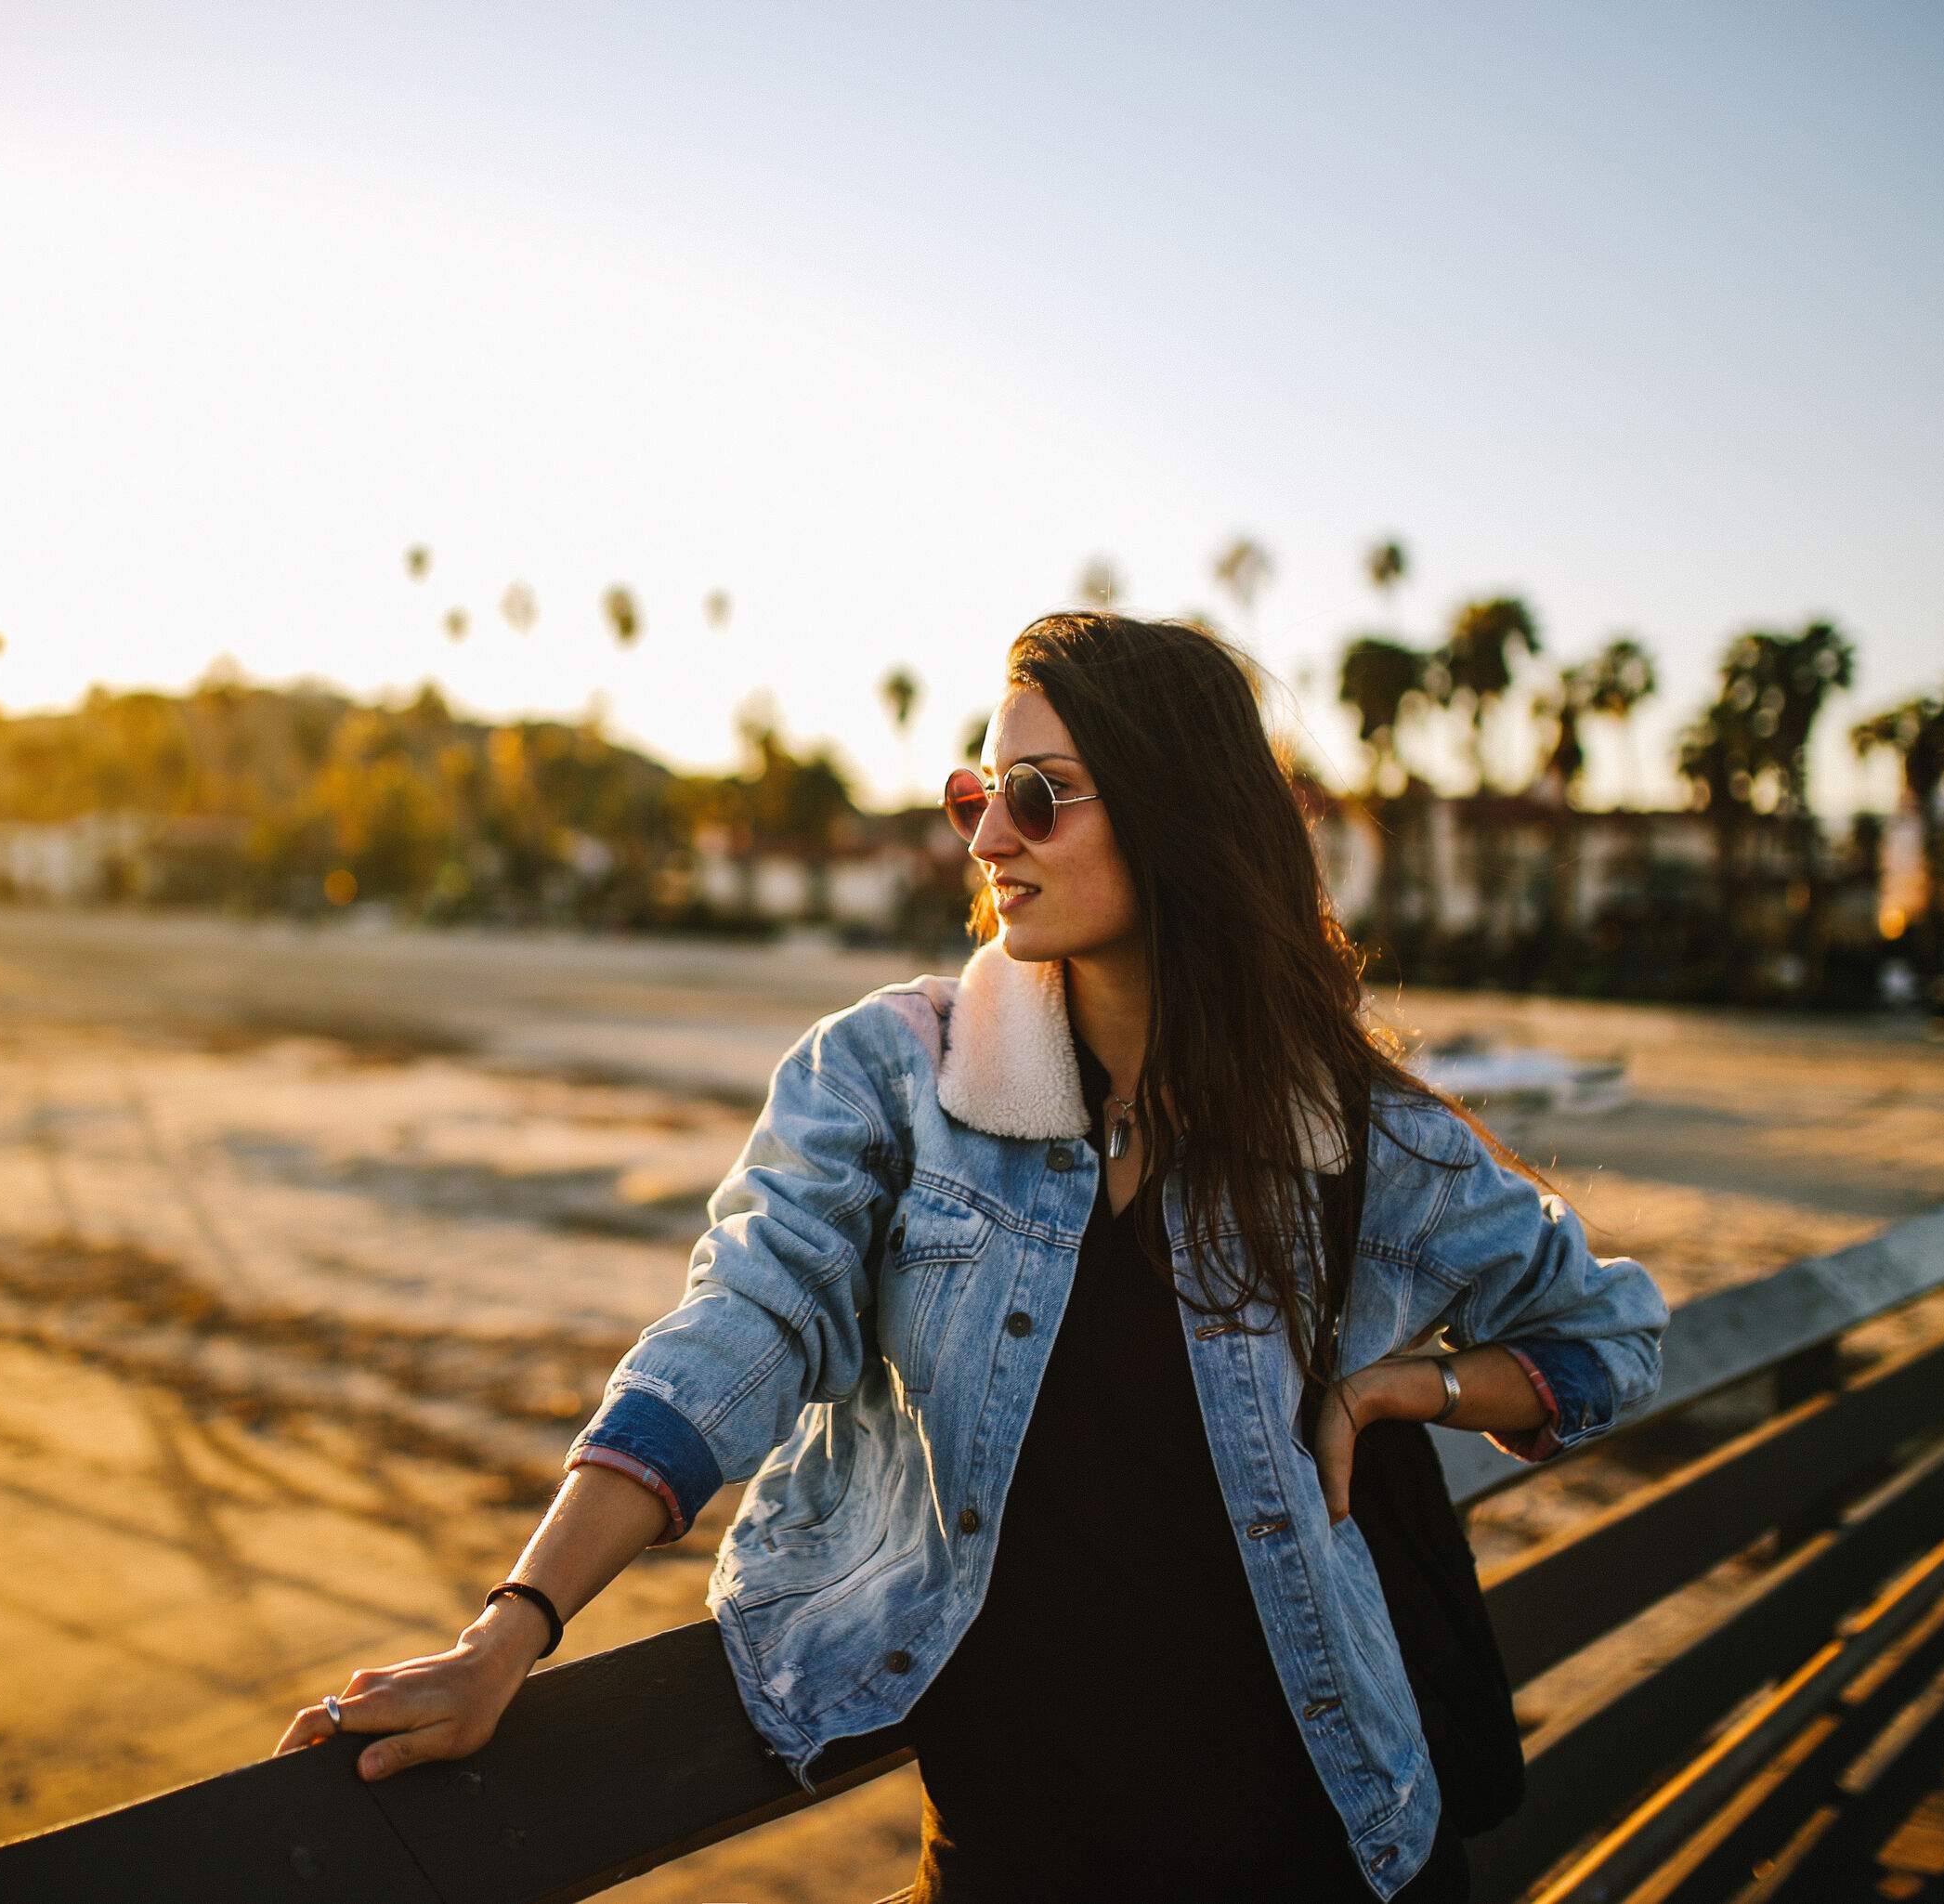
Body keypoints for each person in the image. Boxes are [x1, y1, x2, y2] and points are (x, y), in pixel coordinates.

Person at [271, 613, 1667, 1900]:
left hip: (1325, 1841)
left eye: (1040, 795)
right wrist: (516, 1621)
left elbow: (1608, 1335)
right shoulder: (896, 1077)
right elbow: (742, 1319)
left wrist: (1398, 1391)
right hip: (1018, 1855)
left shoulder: (1342, 1130)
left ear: (1180, 815)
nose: (989, 833)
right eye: (973, 793)